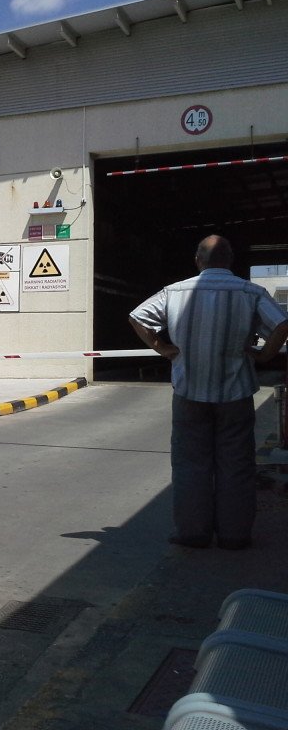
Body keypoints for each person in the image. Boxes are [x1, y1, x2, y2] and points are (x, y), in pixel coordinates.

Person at [129, 235, 288, 550]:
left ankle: (193, 533)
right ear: (230, 261)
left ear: (197, 260)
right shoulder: (251, 292)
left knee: (191, 464)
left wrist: (163, 348)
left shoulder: (175, 292)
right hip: (236, 393)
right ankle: (234, 535)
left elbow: (137, 316)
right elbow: (282, 325)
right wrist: (265, 355)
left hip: (189, 392)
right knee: (237, 464)